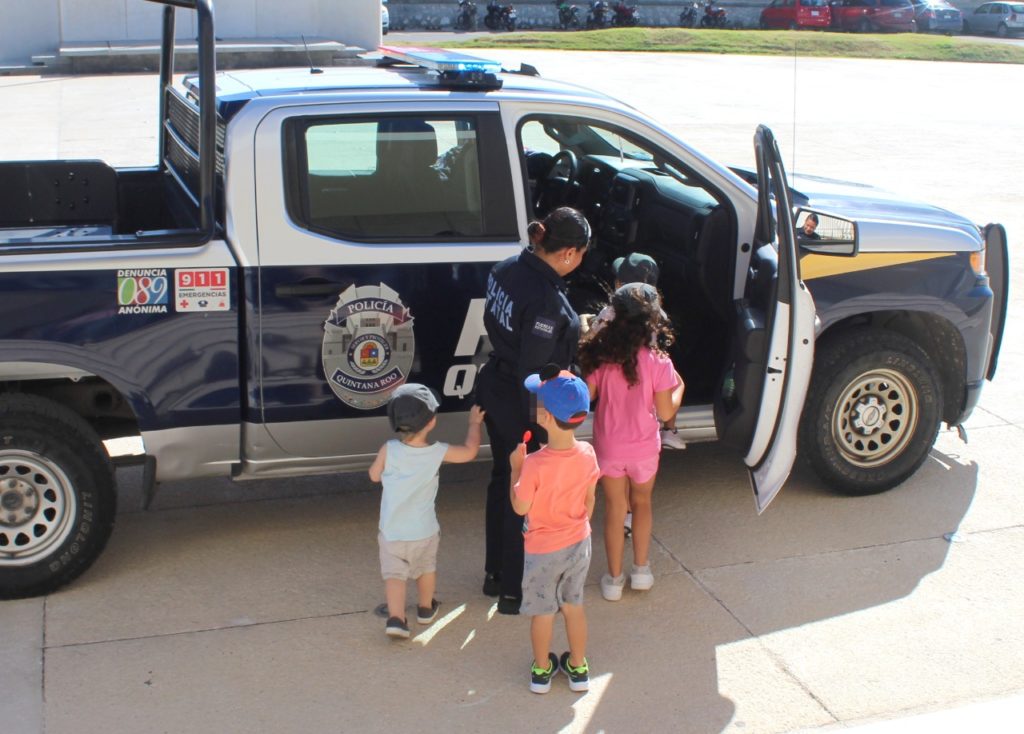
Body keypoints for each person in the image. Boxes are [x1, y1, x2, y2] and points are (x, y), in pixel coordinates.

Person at [476, 206, 591, 616]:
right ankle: (513, 590)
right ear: (568, 253)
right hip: (522, 404)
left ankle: (494, 573)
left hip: (494, 386)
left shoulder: (506, 268)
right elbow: (535, 372)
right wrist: (547, 421)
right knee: (523, 491)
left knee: (501, 480)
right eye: (581, 255)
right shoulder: (546, 302)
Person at [578, 283, 684, 601]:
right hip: (644, 448)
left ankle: (613, 579)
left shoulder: (602, 358)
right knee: (642, 504)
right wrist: (680, 387)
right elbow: (666, 412)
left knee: (614, 508)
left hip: (609, 447)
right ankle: (641, 570)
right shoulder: (659, 362)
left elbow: (587, 397)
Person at [368, 383, 486, 639]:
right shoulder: (437, 452)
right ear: (431, 421)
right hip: (424, 531)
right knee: (426, 569)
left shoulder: (389, 449)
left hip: (392, 532)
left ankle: (396, 619)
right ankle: (425, 608)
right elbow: (469, 452)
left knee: (395, 576)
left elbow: (374, 476)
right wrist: (474, 424)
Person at [509, 365, 600, 694]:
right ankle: (578, 667)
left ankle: (541, 671)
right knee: (573, 606)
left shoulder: (534, 463)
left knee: (543, 611)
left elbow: (520, 507)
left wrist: (516, 470)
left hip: (542, 550)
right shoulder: (588, 453)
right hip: (578, 543)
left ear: (545, 416)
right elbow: (590, 500)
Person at [584, 252, 687, 452]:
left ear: (619, 285)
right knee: (670, 379)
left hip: (615, 369)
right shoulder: (656, 315)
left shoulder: (608, 314)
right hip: (649, 373)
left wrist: (585, 328)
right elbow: (662, 349)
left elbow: (592, 339)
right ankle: (669, 430)